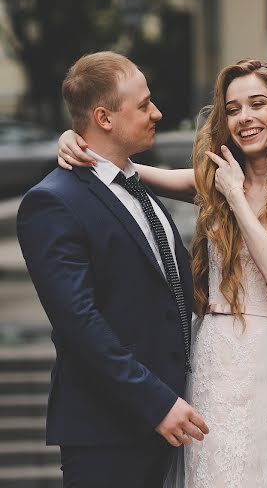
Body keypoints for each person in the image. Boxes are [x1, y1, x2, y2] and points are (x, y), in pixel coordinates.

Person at [58, 59, 267, 488]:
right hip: (214, 358)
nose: (245, 117)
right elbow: (124, 171)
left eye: (258, 103)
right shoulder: (214, 180)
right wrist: (76, 139)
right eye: (233, 108)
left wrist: (236, 197)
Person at [17, 51, 210, 488]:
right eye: (143, 105)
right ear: (104, 117)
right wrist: (157, 403)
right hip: (108, 434)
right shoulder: (53, 202)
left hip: (174, 425)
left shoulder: (138, 187)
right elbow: (79, 323)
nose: (157, 112)